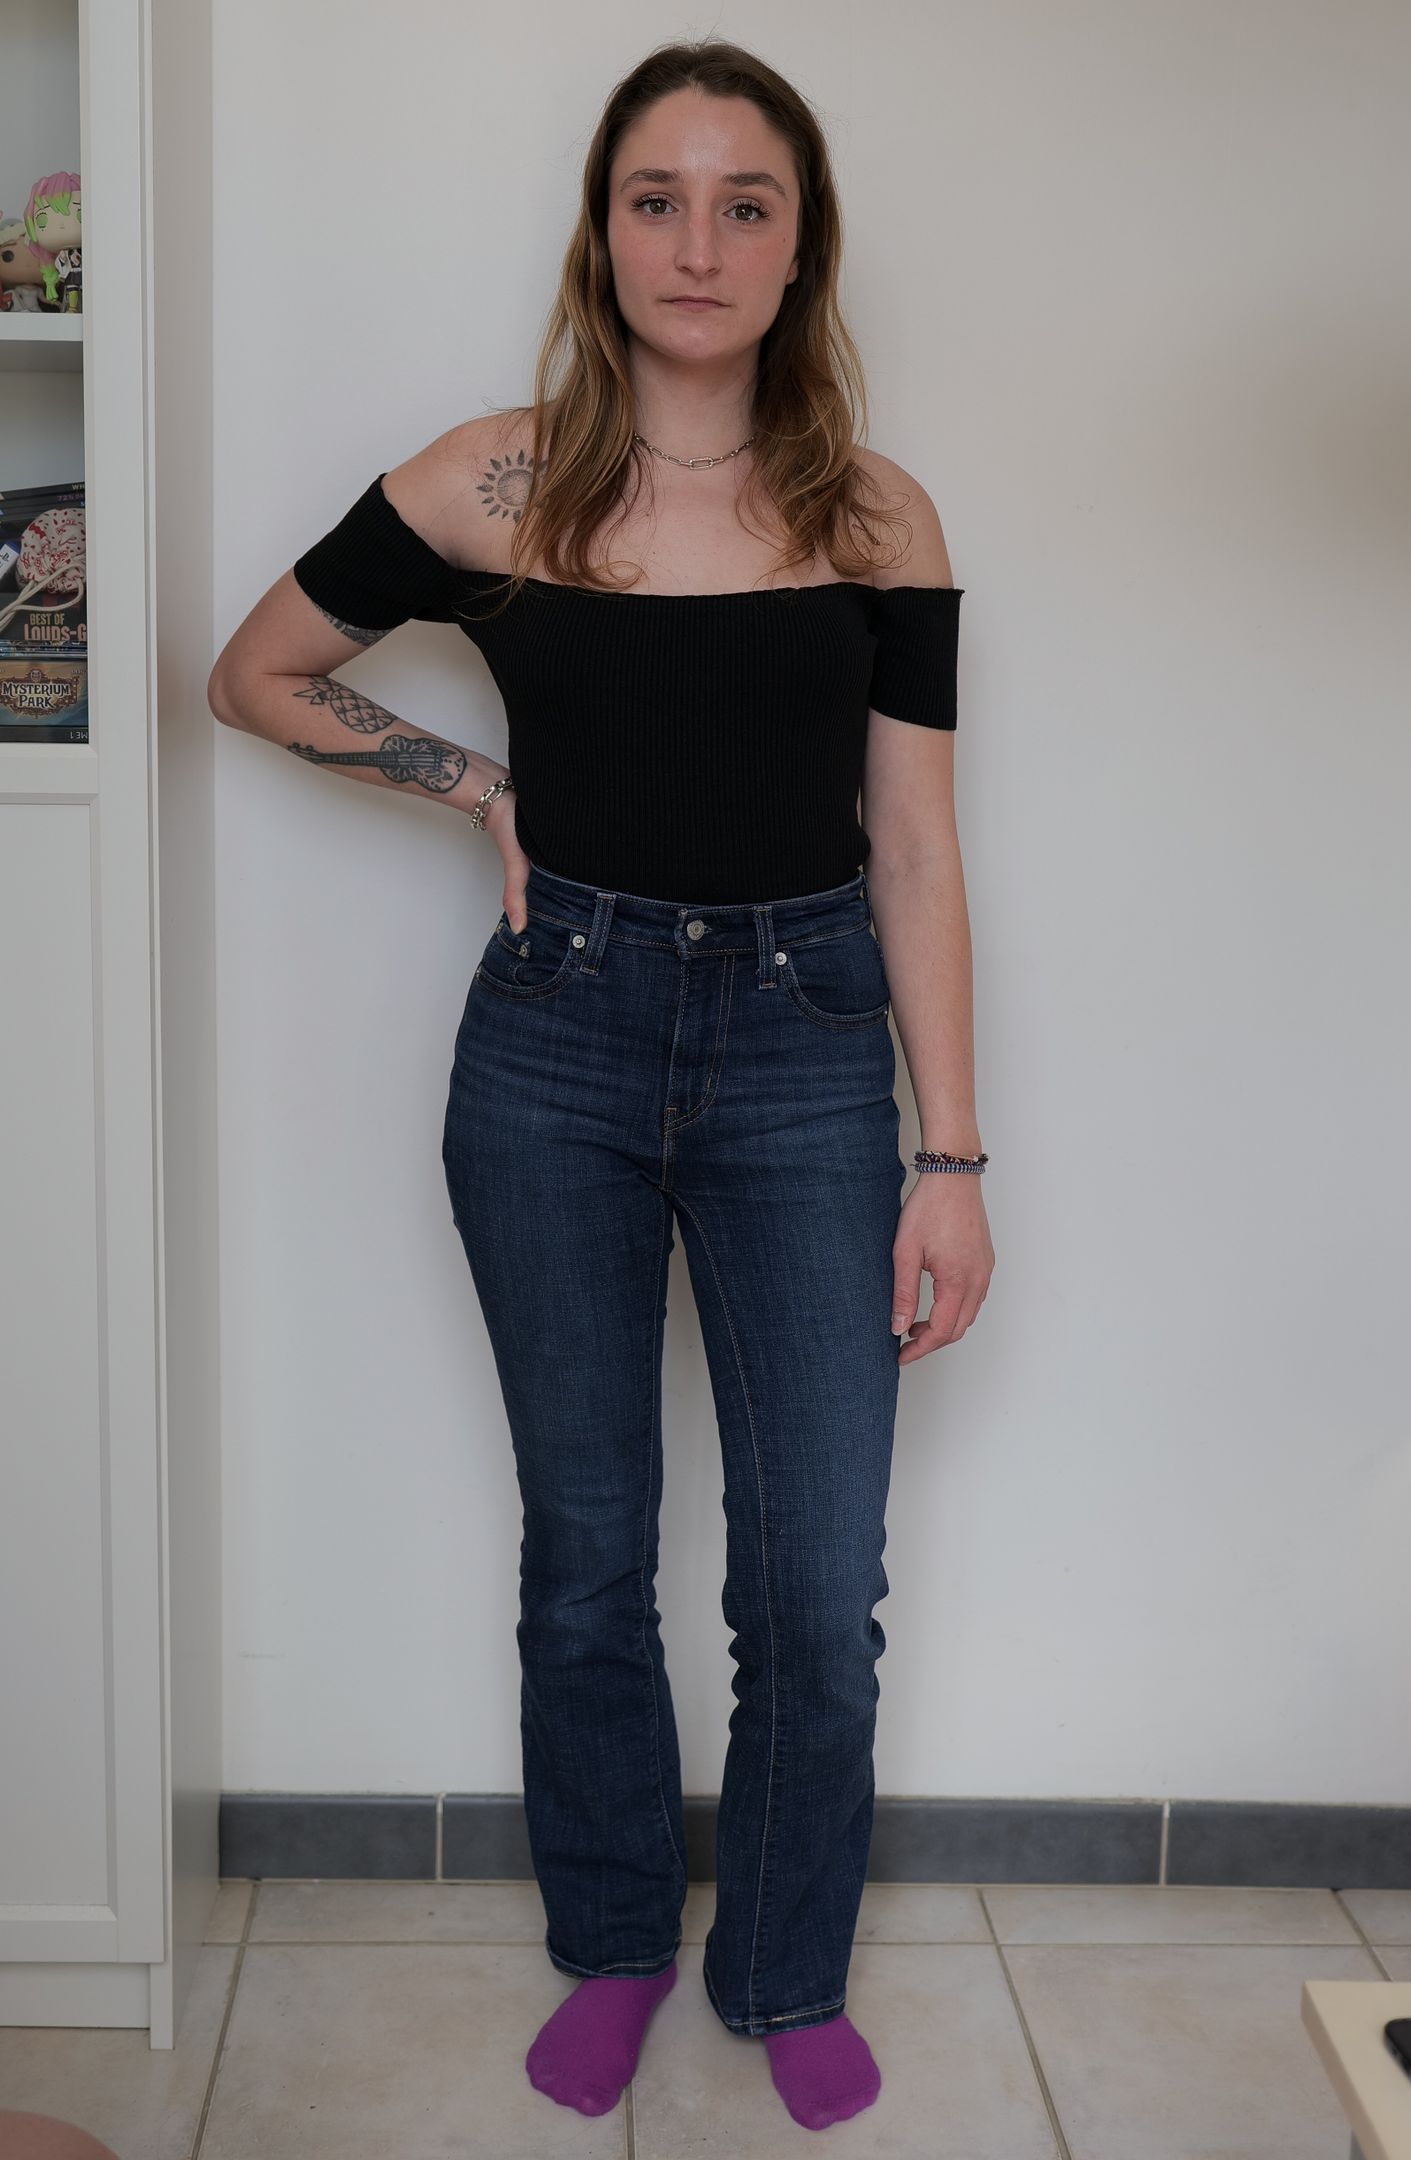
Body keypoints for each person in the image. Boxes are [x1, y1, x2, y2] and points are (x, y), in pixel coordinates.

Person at [208, 35, 994, 2137]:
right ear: (603, 229)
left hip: (810, 1050)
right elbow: (253, 673)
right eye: (659, 197)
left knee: (813, 1583)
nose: (698, 242)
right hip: (555, 1038)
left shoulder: (876, 513)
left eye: (747, 202)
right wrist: (476, 788)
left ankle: (786, 1967)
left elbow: (917, 848)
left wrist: (951, 1156)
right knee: (584, 1548)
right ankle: (621, 1938)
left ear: (802, 244)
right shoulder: (496, 484)